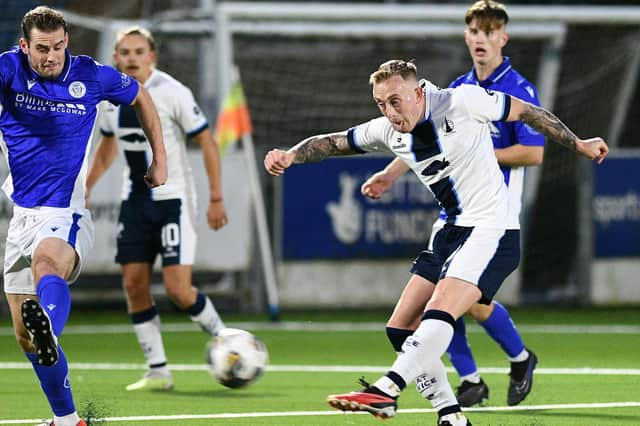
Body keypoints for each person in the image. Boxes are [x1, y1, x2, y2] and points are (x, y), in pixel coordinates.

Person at [263, 59, 607, 425]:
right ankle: (451, 415)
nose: (389, 112)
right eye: (381, 104)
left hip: (492, 229)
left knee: (439, 308)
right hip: (450, 232)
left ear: (418, 92)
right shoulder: (388, 131)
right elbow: (331, 143)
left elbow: (527, 111)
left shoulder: (464, 102)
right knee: (400, 327)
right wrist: (291, 155)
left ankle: (386, 389)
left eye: (395, 101)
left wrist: (579, 144)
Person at [362, 0, 543, 408]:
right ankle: (472, 380)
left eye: (489, 32)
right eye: (474, 32)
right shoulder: (457, 88)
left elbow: (533, 154)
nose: (481, 39)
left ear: (503, 38)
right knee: (444, 302)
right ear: (467, 37)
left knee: (467, 304)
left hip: (495, 211)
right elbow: (422, 141)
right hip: (456, 213)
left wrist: (470, 156)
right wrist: (392, 173)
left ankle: (516, 358)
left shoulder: (517, 88)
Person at [1, 7, 167, 426]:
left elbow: (140, 97)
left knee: (46, 264)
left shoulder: (91, 75)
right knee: (23, 336)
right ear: (25, 46)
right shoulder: (7, 69)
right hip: (20, 214)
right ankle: (68, 419)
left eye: (58, 47)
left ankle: (51, 330)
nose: (51, 56)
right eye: (42, 49)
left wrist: (159, 157)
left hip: (65, 211)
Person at [86, 26, 228, 392]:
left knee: (179, 291)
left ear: (152, 57)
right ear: (115, 58)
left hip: (172, 201)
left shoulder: (172, 92)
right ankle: (158, 370)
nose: (131, 58)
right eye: (124, 52)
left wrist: (215, 197)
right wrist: (85, 188)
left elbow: (207, 142)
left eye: (138, 51)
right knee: (133, 283)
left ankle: (228, 341)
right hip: (134, 202)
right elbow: (106, 148)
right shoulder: (108, 99)